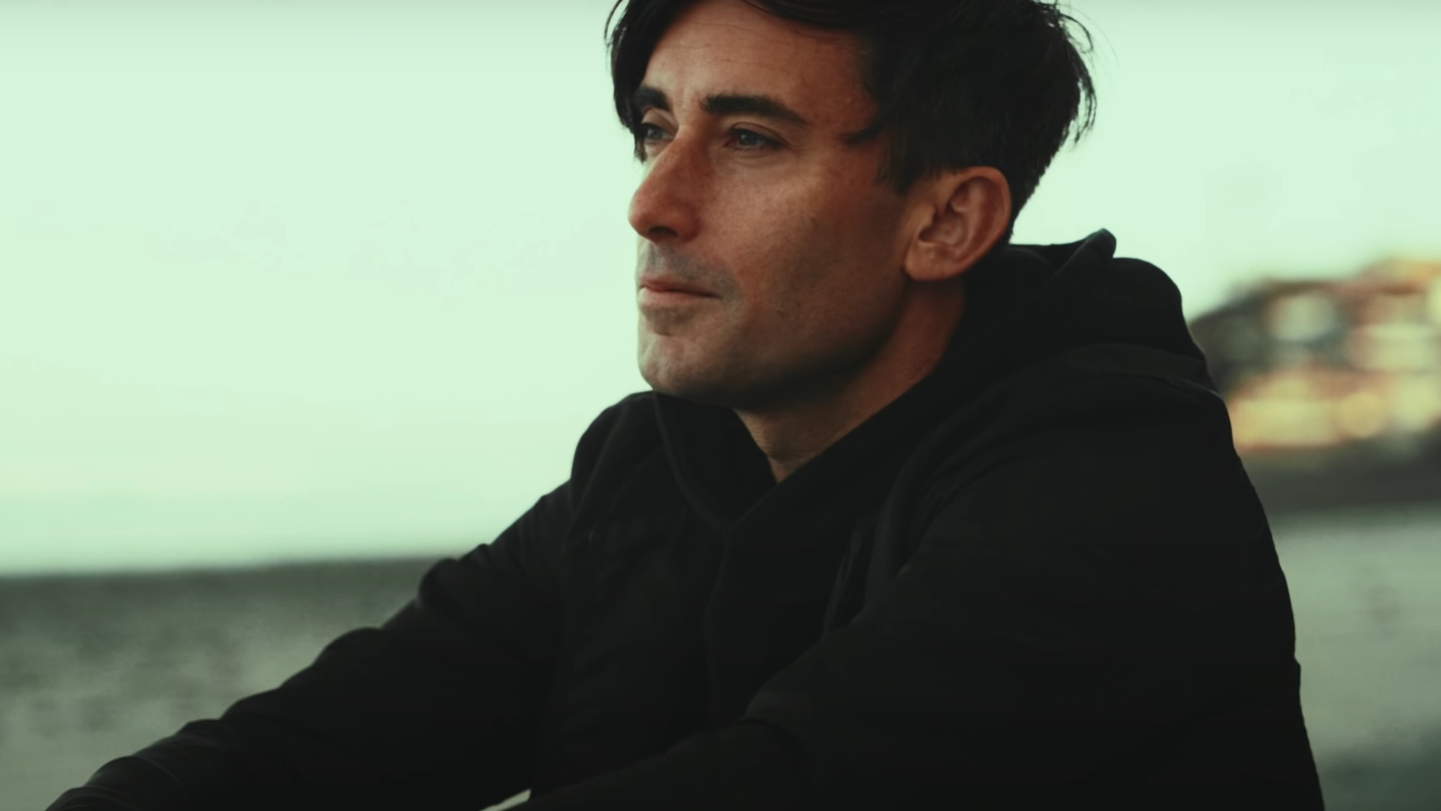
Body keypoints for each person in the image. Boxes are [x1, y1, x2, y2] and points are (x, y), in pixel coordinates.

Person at [49, 0, 1326, 809]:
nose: (653, 202)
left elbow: (801, 779)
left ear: (946, 222)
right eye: (656, 128)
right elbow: (324, 742)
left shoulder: (1112, 481)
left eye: (749, 139)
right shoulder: (647, 470)